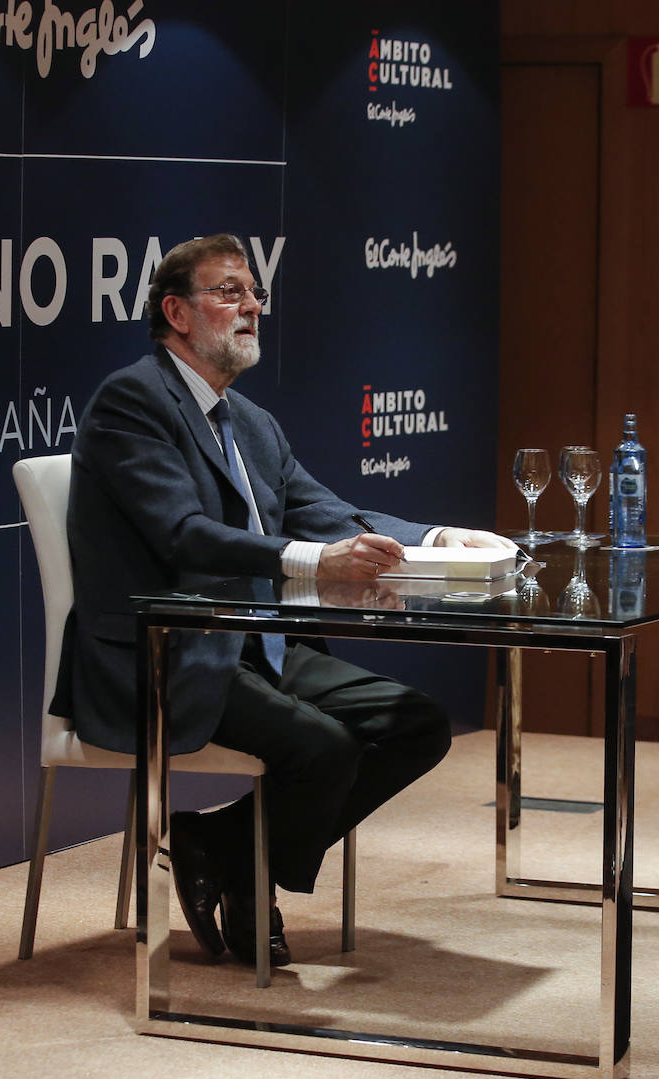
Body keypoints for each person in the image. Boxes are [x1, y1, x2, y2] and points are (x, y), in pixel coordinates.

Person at [54, 233, 513, 968]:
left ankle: (226, 847)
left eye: (254, 293)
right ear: (176, 311)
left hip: (252, 644)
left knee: (416, 725)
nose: (252, 308)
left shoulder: (251, 424)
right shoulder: (133, 400)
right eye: (229, 292)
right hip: (167, 655)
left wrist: (437, 535)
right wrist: (311, 561)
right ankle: (245, 868)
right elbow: (183, 535)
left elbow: (327, 511)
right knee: (324, 749)